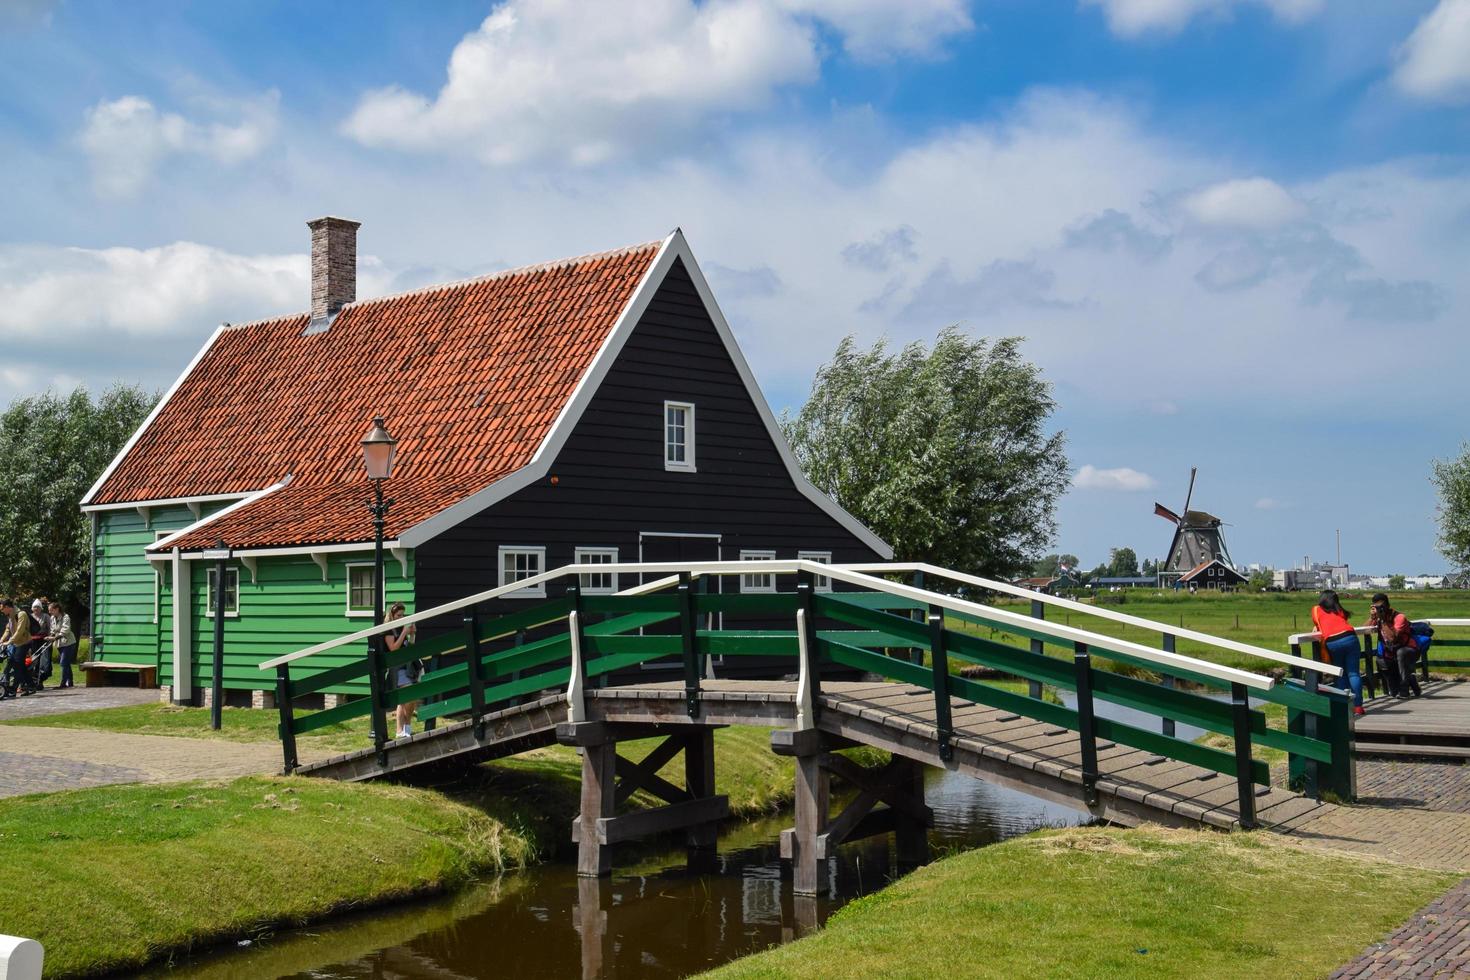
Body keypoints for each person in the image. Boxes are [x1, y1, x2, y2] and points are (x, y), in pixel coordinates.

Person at [1312, 589, 1364, 715]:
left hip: (1333, 641)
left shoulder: (1316, 609)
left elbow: (1318, 623)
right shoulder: (1338, 609)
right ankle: (1358, 707)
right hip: (1350, 637)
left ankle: (1343, 706)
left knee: (1340, 674)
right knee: (1353, 673)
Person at [1368, 593, 1422, 699]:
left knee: (1401, 653)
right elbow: (1365, 630)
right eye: (1376, 607)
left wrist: (1383, 621)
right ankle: (1410, 678)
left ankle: (1404, 690)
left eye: (1381, 607)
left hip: (1409, 650)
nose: (1379, 609)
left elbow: (1393, 638)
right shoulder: (1378, 617)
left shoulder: (1399, 617)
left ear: (1387, 605)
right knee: (1393, 692)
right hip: (1391, 653)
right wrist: (1372, 617)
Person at [384, 602, 421, 739]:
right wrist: (404, 632)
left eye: (403, 615)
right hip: (397, 668)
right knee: (405, 696)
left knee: (411, 698)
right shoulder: (389, 630)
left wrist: (412, 635)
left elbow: (409, 647)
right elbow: (393, 648)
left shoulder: (401, 629)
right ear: (392, 616)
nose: (401, 617)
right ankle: (400, 730)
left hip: (407, 667)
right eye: (399, 615)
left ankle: (406, 727)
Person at [0, 597, 35, 697]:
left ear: (7, 607)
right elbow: (8, 629)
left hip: (24, 642)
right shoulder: (10, 615)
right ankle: (31, 686)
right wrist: (2, 640)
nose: (1, 611)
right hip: (16, 643)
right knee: (18, 665)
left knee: (17, 665)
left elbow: (20, 631)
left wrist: (9, 641)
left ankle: (14, 689)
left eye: (2, 609)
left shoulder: (21, 614)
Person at [47, 602, 77, 689]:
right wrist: (50, 637)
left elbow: (65, 630)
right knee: (66, 663)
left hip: (69, 642)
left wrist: (55, 638)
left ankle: (63, 683)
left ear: (57, 609)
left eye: (51, 610)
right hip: (60, 643)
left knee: (63, 662)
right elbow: (53, 630)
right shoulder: (52, 618)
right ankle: (70, 682)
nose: (50, 612)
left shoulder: (65, 617)